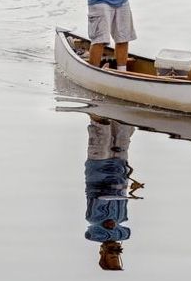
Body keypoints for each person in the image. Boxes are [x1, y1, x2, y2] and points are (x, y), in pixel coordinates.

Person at [84, 114, 143, 270]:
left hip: (98, 168)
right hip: (119, 170)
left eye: (112, 254)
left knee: (102, 132)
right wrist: (132, 186)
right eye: (117, 254)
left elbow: (102, 224)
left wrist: (109, 232)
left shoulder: (95, 229)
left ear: (102, 252)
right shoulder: (122, 228)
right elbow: (121, 198)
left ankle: (94, 106)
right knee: (124, 131)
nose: (115, 251)